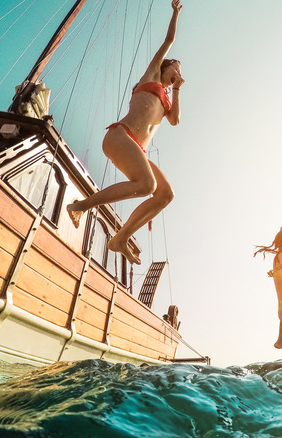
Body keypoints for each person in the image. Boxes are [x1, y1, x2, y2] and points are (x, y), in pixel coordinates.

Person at [67, 0, 185, 265]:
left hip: (136, 149)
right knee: (147, 185)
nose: (178, 72)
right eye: (175, 68)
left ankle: (120, 238)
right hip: (120, 136)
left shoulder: (168, 99)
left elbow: (176, 120)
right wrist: (175, 13)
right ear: (164, 68)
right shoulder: (152, 76)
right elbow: (169, 39)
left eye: (180, 71)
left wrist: (177, 89)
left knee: (165, 194)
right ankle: (80, 206)